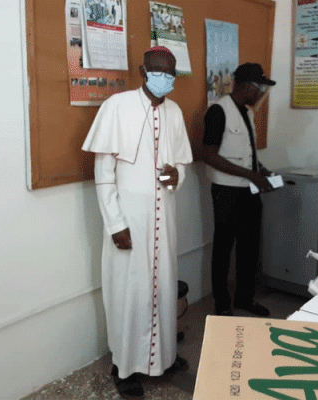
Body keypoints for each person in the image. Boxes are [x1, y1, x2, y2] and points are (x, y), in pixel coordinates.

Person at [82, 46, 193, 399]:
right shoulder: (117, 106)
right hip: (130, 218)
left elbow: (183, 164)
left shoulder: (174, 112)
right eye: (158, 71)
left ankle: (164, 357)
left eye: (170, 73)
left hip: (165, 219)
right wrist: (115, 223)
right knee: (128, 292)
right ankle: (125, 366)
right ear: (143, 71)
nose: (165, 78)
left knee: (162, 289)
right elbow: (103, 172)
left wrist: (178, 175)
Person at [201, 62, 276, 317]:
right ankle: (222, 303)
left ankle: (245, 298)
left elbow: (246, 153)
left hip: (249, 191)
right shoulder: (218, 112)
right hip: (227, 192)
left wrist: (260, 170)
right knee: (223, 247)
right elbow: (209, 155)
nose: (261, 94)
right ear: (245, 86)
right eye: (259, 89)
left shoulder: (248, 113)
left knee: (249, 247)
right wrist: (250, 174)